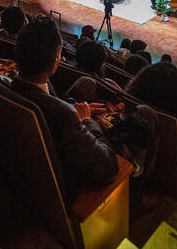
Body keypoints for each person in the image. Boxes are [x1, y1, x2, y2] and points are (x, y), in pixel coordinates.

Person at [10, 17, 120, 192]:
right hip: (67, 186)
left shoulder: (7, 84)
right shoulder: (63, 117)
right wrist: (85, 121)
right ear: (55, 62)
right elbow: (109, 168)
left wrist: (71, 107)